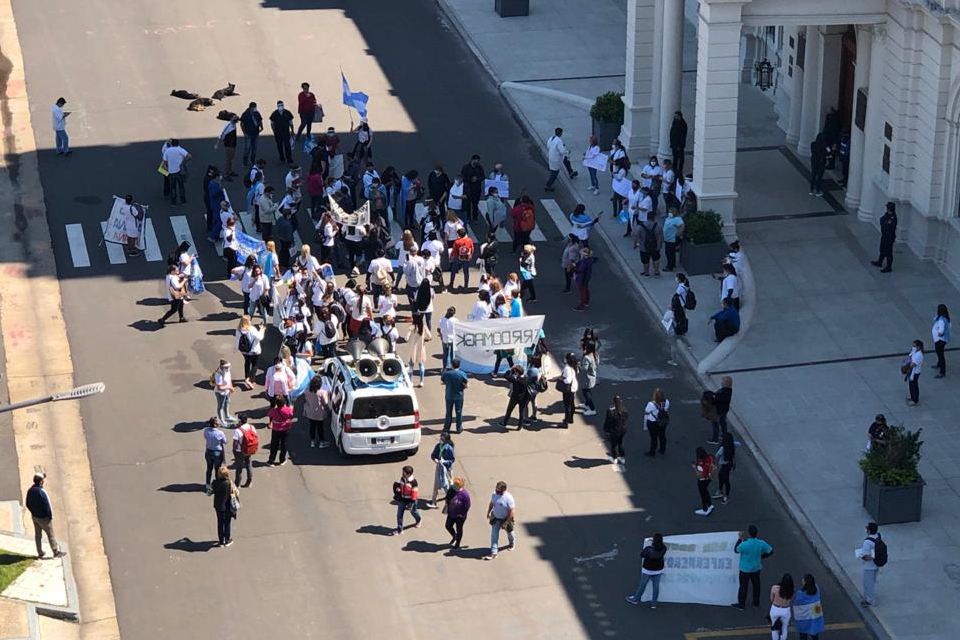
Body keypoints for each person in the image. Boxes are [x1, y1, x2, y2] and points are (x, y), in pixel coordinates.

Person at [733, 525, 774, 609]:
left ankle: (741, 604)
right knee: (756, 585)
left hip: (745, 569)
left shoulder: (744, 544)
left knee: (743, 587)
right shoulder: (761, 543)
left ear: (749, 534)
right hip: (756, 568)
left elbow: (736, 550)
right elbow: (771, 551)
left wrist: (739, 539)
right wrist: (762, 556)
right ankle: (756, 602)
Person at [25, 473, 65, 558]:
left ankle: (40, 552)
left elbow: (27, 504)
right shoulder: (42, 492)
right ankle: (55, 552)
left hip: (35, 517)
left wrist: (33, 512)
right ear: (41, 482)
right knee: (50, 535)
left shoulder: (30, 490)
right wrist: (50, 516)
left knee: (38, 535)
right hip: (44, 518)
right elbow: (48, 505)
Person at [625, 533, 667, 607]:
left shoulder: (648, 549)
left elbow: (642, 555)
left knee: (643, 584)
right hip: (659, 569)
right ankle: (654, 603)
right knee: (656, 586)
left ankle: (636, 599)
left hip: (648, 569)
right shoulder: (664, 548)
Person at [485, 481, 516, 559]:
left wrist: (507, 522)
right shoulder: (494, 494)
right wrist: (488, 512)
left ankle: (512, 543)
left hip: (506, 518)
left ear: (503, 490)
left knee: (510, 533)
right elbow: (492, 503)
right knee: (494, 535)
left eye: (498, 489)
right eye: (496, 488)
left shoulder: (508, 498)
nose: (496, 490)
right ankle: (494, 553)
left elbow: (512, 511)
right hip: (496, 518)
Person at [794, 574, 826, 639]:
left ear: (805, 582)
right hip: (815, 616)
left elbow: (797, 604)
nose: (802, 580)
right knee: (815, 634)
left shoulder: (800, 594)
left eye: (803, 579)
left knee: (803, 634)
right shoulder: (817, 588)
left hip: (804, 618)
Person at [211, 465, 237, 547]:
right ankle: (227, 539)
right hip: (227, 505)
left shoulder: (214, 482)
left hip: (218, 505)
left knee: (220, 522)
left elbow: (209, 493)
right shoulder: (229, 482)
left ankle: (221, 541)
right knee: (227, 522)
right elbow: (236, 492)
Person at [428, 433, 456, 508]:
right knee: (436, 485)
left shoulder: (450, 448)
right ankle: (434, 502)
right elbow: (433, 455)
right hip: (439, 467)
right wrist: (435, 460)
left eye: (442, 439)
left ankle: (450, 499)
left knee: (448, 484)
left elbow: (452, 460)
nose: (440, 440)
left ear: (446, 440)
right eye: (440, 438)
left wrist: (445, 462)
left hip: (448, 469)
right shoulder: (438, 446)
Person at [859, 522, 883, 606]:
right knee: (872, 581)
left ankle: (869, 600)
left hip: (869, 566)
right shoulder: (879, 536)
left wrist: (861, 555)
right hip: (877, 563)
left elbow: (866, 556)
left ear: (869, 531)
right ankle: (869, 597)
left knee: (868, 583)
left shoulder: (867, 542)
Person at [442, 358, 468, 434]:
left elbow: (442, 382)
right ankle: (459, 428)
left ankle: (446, 428)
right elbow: (466, 385)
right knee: (459, 412)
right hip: (459, 396)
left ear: (452, 365)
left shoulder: (447, 373)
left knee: (448, 412)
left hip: (449, 395)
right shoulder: (462, 374)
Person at [443, 477, 471, 549]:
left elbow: (467, 506)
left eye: (455, 485)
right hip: (451, 513)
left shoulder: (464, 495)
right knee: (448, 526)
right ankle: (454, 536)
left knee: (459, 529)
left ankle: (457, 543)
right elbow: (447, 497)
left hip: (460, 516)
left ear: (460, 486)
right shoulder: (452, 489)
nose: (453, 486)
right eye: (454, 484)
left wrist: (461, 514)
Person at [393, 465, 421, 535]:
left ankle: (418, 520)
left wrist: (411, 504)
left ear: (409, 474)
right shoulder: (402, 478)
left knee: (413, 512)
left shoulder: (414, 482)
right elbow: (401, 485)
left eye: (404, 473)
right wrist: (398, 489)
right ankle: (400, 529)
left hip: (410, 501)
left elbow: (414, 494)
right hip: (402, 499)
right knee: (399, 515)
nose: (402, 474)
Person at [162, 139, 191, 205]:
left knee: (173, 187)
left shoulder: (167, 151)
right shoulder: (180, 149)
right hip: (180, 171)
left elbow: (164, 162)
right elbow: (189, 156)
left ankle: (173, 202)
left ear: (171, 144)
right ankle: (183, 200)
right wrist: (183, 162)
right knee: (181, 186)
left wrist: (168, 166)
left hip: (172, 171)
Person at [303, 376, 330, 449]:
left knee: (312, 426)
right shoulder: (322, 392)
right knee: (320, 427)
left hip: (310, 412)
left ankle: (313, 441)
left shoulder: (307, 390)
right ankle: (321, 442)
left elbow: (306, 399)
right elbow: (325, 403)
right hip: (319, 413)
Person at [266, 396, 294, 465]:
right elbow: (291, 416)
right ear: (284, 402)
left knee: (274, 445)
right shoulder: (288, 410)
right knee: (284, 444)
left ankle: (271, 460)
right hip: (285, 429)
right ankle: (282, 460)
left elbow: (270, 415)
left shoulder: (273, 410)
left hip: (275, 429)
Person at [501, 365, 531, 430]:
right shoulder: (526, 378)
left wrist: (510, 370)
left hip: (514, 397)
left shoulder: (516, 380)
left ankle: (504, 422)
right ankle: (519, 426)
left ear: (517, 372)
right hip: (523, 398)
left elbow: (505, 376)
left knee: (509, 410)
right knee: (521, 413)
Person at [603, 395, 628, 469]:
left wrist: (606, 429)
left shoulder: (611, 411)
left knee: (613, 445)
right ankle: (622, 457)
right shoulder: (624, 410)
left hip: (614, 431)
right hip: (623, 429)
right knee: (621, 443)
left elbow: (607, 422)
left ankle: (615, 458)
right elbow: (626, 418)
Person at [203, 417, 227, 493]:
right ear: (215, 424)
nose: (219, 423)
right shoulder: (220, 433)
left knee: (209, 468)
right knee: (217, 469)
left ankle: (207, 484)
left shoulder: (206, 430)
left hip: (208, 452)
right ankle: (217, 484)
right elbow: (225, 442)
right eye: (218, 422)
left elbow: (205, 437)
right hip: (217, 452)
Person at [871, 202, 897, 272]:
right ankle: (880, 262)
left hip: (889, 237)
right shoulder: (887, 215)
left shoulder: (893, 218)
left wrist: (884, 223)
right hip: (884, 235)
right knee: (882, 249)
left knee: (888, 252)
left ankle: (889, 267)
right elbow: (882, 220)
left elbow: (886, 224)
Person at [644, 388, 670, 457]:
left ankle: (652, 452)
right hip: (662, 421)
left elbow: (646, 411)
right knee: (662, 435)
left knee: (653, 437)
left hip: (652, 422)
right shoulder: (666, 402)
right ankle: (662, 449)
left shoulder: (651, 404)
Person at [232, 415, 256, 487]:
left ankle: (237, 484)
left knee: (239, 468)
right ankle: (249, 481)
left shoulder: (238, 430)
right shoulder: (252, 427)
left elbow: (235, 443)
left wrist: (234, 450)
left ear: (240, 421)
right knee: (248, 465)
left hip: (240, 451)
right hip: (249, 449)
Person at [769, 573, 795, 640]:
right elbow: (790, 601)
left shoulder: (774, 588)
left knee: (774, 627)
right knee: (784, 628)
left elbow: (771, 599)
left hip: (775, 609)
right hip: (785, 610)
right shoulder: (792, 591)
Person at [269, 100, 295, 164]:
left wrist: (292, 130)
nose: (280, 107)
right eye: (279, 106)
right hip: (278, 132)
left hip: (286, 132)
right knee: (279, 146)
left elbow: (291, 122)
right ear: (277, 106)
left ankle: (289, 158)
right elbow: (272, 123)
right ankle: (282, 158)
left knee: (287, 146)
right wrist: (274, 131)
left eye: (281, 105)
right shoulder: (274, 114)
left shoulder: (287, 113)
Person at [461, 155, 485, 221]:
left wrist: (477, 179)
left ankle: (475, 217)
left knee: (475, 204)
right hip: (468, 189)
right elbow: (463, 177)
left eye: (478, 160)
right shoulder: (466, 167)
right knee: (468, 204)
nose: (477, 162)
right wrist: (470, 179)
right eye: (476, 160)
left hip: (477, 189)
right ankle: (468, 217)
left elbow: (483, 176)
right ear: (472, 160)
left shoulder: (479, 167)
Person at [693, 446, 716, 516]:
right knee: (706, 491)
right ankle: (709, 504)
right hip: (709, 478)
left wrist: (694, 468)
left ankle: (704, 509)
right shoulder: (710, 457)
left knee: (703, 494)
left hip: (702, 480)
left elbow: (700, 475)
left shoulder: (700, 464)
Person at [215, 115, 240, 179]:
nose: (235, 122)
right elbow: (222, 134)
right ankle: (226, 174)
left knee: (231, 158)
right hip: (228, 144)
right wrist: (217, 143)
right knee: (228, 159)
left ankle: (230, 171)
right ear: (231, 119)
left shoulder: (233, 124)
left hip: (233, 144)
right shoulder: (228, 125)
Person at [714, 432, 735, 504]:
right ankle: (723, 492)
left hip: (724, 465)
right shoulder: (732, 445)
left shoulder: (722, 449)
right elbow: (738, 444)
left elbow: (716, 456)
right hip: (729, 464)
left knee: (723, 478)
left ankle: (723, 493)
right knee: (723, 477)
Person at [213, 360, 237, 425]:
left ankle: (227, 416)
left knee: (227, 403)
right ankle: (221, 420)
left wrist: (231, 387)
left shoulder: (227, 371)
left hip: (227, 392)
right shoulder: (219, 375)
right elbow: (219, 387)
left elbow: (229, 380)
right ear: (222, 367)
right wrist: (229, 387)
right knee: (220, 406)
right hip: (220, 393)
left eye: (229, 366)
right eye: (227, 367)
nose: (228, 368)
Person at [710, 376, 733, 443]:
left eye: (722, 381)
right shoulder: (728, 390)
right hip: (724, 410)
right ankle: (724, 434)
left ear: (725, 383)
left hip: (719, 411)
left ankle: (715, 439)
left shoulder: (723, 393)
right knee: (723, 422)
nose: (721, 382)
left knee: (715, 424)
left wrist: (713, 397)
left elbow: (716, 400)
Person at [573, 247, 597, 311]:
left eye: (581, 254)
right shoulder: (589, 260)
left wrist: (574, 267)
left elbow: (580, 270)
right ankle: (586, 301)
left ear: (584, 254)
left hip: (581, 278)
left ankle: (581, 306)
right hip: (586, 278)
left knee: (582, 292)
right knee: (586, 289)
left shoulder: (584, 262)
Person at [239, 102, 263, 167]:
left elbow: (260, 120)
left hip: (256, 133)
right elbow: (242, 124)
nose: (255, 108)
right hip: (248, 134)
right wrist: (245, 133)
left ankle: (252, 161)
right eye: (254, 107)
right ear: (251, 107)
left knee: (254, 148)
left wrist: (261, 127)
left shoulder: (257, 113)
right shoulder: (245, 114)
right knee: (247, 148)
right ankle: (244, 162)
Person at [932, 303, 950, 378]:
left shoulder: (942, 320)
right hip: (940, 340)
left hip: (940, 340)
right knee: (939, 353)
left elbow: (941, 331)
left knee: (940, 354)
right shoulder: (945, 318)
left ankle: (942, 371)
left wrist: (939, 334)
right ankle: (939, 364)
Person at [580, 342, 598, 416]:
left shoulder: (586, 357)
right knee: (588, 390)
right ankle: (587, 404)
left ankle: (592, 409)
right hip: (592, 376)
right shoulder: (595, 354)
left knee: (586, 392)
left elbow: (584, 368)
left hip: (587, 378)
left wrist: (578, 365)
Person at [905, 338, 923, 405]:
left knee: (914, 386)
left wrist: (908, 364)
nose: (913, 347)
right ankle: (912, 396)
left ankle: (915, 400)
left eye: (914, 346)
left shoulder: (919, 355)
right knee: (911, 384)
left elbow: (913, 364)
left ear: (918, 347)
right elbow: (909, 356)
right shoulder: (914, 352)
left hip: (915, 372)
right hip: (911, 371)